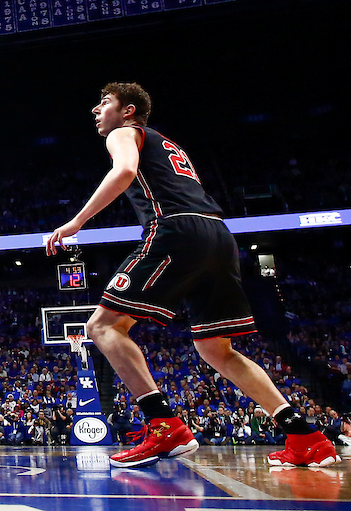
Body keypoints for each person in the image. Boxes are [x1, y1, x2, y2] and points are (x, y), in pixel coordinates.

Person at [47, 83, 340, 469]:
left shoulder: (123, 133)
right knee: (217, 349)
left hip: (176, 230)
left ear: (128, 110)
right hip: (218, 235)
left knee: (102, 326)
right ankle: (305, 436)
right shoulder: (168, 145)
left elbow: (124, 171)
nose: (95, 110)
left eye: (104, 103)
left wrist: (76, 223)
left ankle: (164, 426)